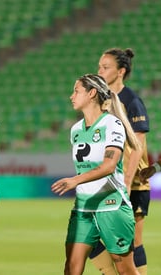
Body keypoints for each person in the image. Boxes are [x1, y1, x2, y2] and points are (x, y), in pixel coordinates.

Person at [51, 74, 140, 275]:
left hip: (112, 206)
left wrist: (75, 180)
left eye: (76, 91)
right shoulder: (75, 130)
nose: (71, 96)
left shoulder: (111, 124)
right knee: (72, 266)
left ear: (92, 94)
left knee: (125, 269)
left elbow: (109, 165)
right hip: (83, 208)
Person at [88, 48, 150, 275]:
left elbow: (137, 147)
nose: (100, 71)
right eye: (99, 67)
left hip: (131, 182)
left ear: (121, 71)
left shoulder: (131, 101)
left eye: (105, 67)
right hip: (107, 179)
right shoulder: (100, 102)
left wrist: (125, 181)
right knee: (89, 235)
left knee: (132, 240)